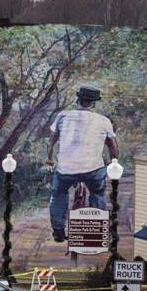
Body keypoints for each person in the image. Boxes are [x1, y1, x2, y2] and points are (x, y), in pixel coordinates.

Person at [47, 86, 119, 243]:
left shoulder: (63, 115)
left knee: (59, 194)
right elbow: (113, 145)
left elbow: (51, 141)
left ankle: (58, 230)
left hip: (65, 168)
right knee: (98, 193)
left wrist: (50, 159)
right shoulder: (104, 121)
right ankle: (97, 230)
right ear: (93, 104)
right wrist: (114, 161)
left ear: (78, 100)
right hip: (93, 169)